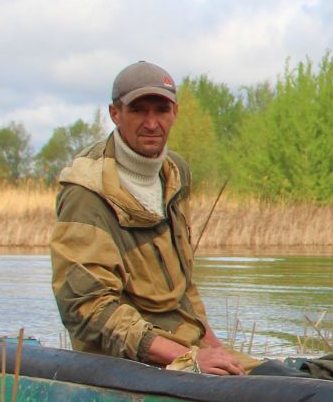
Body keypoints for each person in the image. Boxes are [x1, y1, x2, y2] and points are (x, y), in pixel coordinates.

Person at [50, 61, 249, 375]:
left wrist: (215, 348)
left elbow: (184, 288)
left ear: (175, 113)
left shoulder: (174, 174)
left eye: (161, 109)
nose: (152, 123)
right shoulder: (87, 193)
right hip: (126, 365)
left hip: (185, 350)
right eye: (138, 110)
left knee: (296, 380)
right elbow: (87, 309)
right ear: (115, 113)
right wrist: (186, 358)